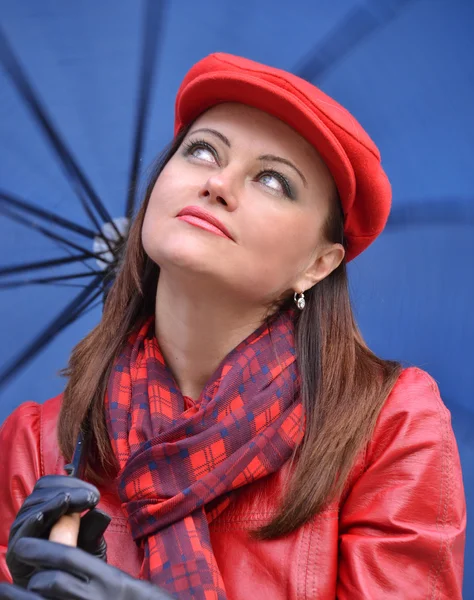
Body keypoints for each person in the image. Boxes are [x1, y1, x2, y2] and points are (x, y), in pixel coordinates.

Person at [0, 53, 466, 600]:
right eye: (202, 151)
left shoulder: (390, 428)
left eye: (273, 180)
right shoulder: (40, 443)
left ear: (318, 264)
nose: (219, 182)